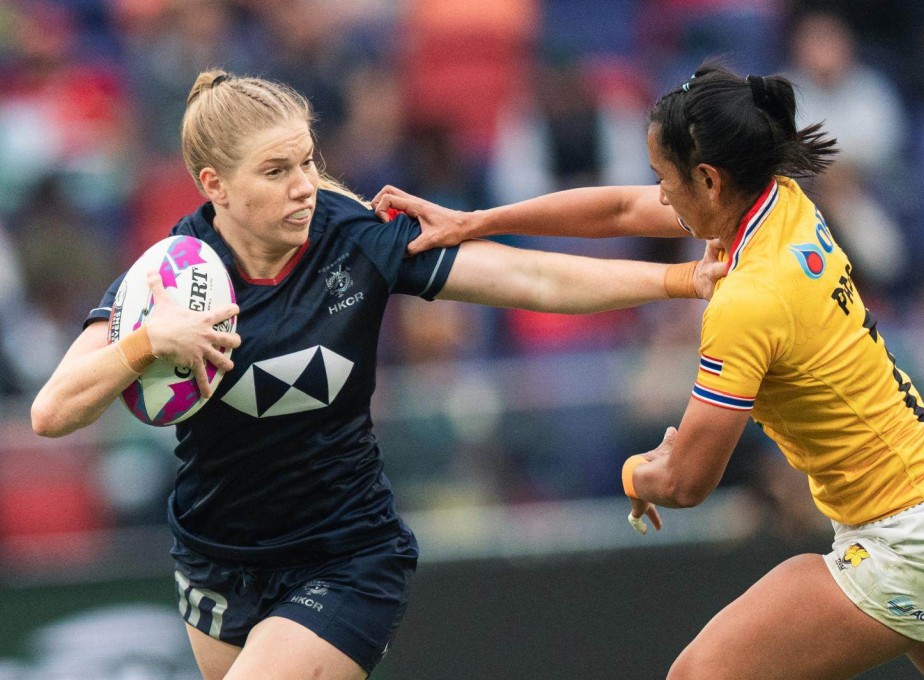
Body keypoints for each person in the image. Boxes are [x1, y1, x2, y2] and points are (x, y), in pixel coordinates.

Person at [29, 69, 724, 680]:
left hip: (345, 556)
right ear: (216, 186)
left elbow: (528, 277)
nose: (304, 187)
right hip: (217, 558)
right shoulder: (172, 276)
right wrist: (148, 342)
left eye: (307, 161)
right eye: (275, 172)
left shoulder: (354, 237)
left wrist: (679, 279)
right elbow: (51, 413)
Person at [371, 60, 924, 679]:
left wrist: (638, 472)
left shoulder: (748, 299)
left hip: (909, 538)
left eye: (664, 177)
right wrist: (477, 221)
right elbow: (620, 212)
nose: (657, 193)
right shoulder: (780, 201)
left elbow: (685, 485)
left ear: (709, 179)